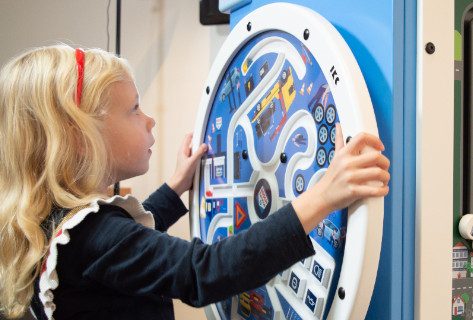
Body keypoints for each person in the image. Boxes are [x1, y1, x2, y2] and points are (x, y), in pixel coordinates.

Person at [0, 45, 390, 319]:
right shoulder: (96, 237)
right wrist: (322, 196)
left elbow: (132, 246)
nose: (149, 120)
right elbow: (204, 271)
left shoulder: (62, 224)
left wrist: (173, 189)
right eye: (134, 110)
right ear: (80, 138)